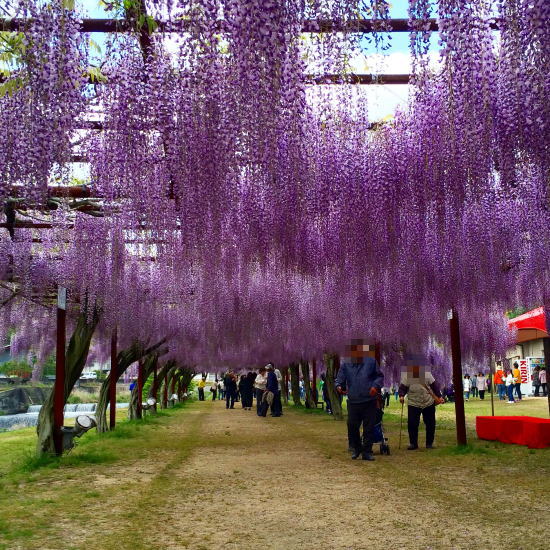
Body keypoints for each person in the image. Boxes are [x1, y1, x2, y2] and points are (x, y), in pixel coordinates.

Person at [335, 339, 384, 461]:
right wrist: (339, 386)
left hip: (369, 400)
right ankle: (357, 448)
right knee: (352, 426)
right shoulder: (346, 364)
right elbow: (339, 379)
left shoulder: (371, 361)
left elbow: (379, 377)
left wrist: (375, 386)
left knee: (369, 427)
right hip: (353, 401)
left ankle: (367, 451)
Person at [399, 359, 444, 450]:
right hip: (413, 402)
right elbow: (402, 388)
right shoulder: (407, 376)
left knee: (430, 423)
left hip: (428, 402)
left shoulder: (427, 374)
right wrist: (401, 396)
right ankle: (413, 443)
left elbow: (434, 386)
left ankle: (429, 443)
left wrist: (439, 396)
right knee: (412, 423)